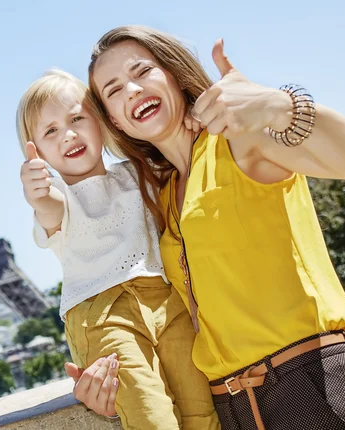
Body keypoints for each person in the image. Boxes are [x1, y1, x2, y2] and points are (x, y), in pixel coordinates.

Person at [67, 25, 345, 430]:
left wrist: (278, 105)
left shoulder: (238, 141)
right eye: (113, 90)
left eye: (142, 71)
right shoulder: (160, 199)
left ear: (174, 73)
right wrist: (113, 386)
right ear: (113, 120)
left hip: (312, 385)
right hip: (229, 408)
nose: (131, 89)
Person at [17, 69, 219, 429]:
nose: (68, 134)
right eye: (50, 131)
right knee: (152, 419)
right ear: (38, 153)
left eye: (77, 118)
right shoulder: (59, 199)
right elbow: (49, 211)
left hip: (165, 302)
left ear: (102, 122)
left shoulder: (133, 173)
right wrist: (38, 193)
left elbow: (181, 155)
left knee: (202, 411)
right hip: (104, 315)